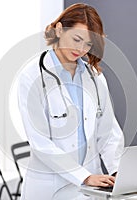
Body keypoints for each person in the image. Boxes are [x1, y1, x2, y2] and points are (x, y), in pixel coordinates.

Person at [16, 3, 124, 199]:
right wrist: (84, 176)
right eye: (76, 39)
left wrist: (117, 172)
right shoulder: (32, 77)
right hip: (50, 187)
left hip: (90, 188)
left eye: (88, 44)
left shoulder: (95, 77)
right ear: (59, 29)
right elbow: (40, 142)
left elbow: (108, 133)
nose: (81, 49)